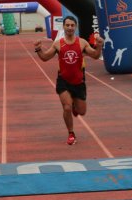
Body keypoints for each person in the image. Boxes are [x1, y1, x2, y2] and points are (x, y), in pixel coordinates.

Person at [34, 15, 104, 145]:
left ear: (75, 27)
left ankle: (74, 107)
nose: (70, 28)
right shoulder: (58, 44)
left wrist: (99, 46)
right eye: (67, 25)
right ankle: (71, 133)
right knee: (66, 107)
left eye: (72, 25)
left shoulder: (82, 42)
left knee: (82, 112)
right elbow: (44, 58)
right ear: (64, 26)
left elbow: (95, 56)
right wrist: (38, 49)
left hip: (78, 81)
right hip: (63, 81)